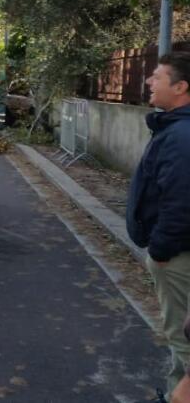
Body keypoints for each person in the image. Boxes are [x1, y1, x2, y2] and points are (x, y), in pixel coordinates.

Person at [127, 50, 190, 402]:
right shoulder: (176, 128)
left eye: (157, 77)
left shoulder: (181, 136)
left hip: (177, 255)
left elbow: (182, 201)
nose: (149, 82)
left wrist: (161, 251)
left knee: (181, 333)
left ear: (180, 87)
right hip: (177, 251)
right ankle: (173, 391)